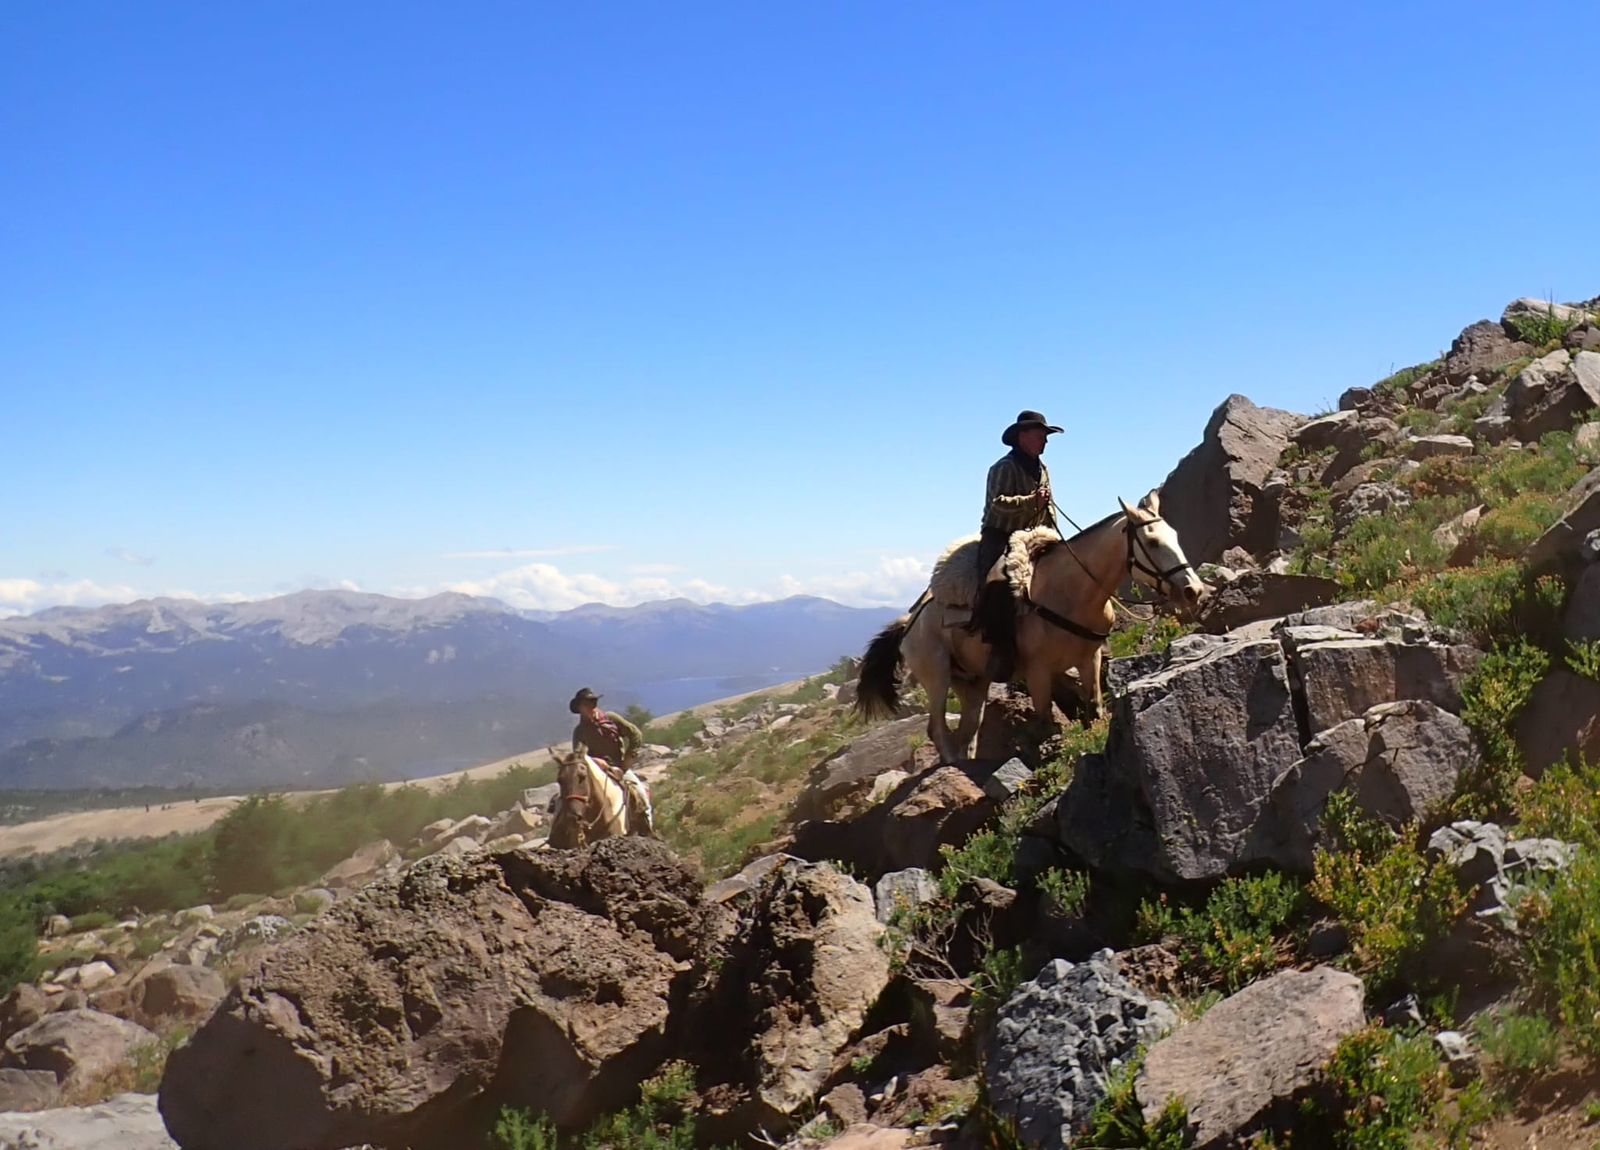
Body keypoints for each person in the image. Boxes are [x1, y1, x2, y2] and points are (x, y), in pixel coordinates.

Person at [974, 410, 1062, 679]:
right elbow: (997, 505)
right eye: (1040, 435)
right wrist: (1030, 502)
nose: (1045, 441)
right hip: (1000, 535)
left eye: (1046, 437)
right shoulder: (1003, 467)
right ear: (1023, 436)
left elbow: (1047, 508)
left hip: (1036, 535)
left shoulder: (1043, 468)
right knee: (999, 582)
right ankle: (1000, 649)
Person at [568, 687, 656, 835]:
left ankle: (648, 832)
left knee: (640, 796)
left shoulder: (611, 718)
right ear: (580, 708)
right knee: (572, 801)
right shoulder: (580, 731)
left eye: (593, 702)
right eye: (587, 703)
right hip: (594, 771)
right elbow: (578, 756)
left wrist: (627, 760)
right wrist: (596, 762)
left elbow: (635, 734)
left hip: (618, 767)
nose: (591, 706)